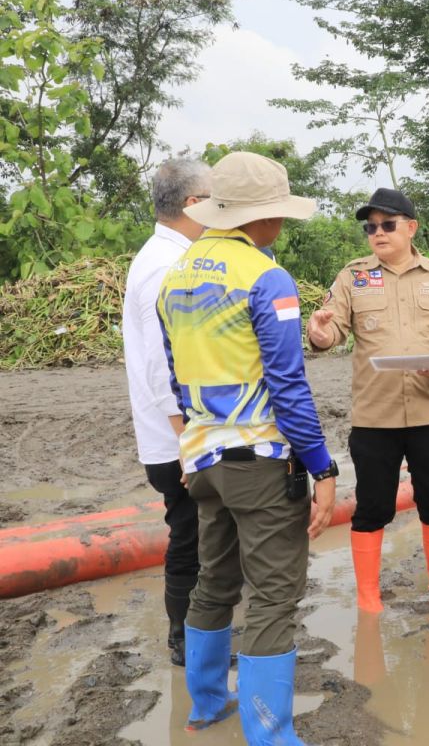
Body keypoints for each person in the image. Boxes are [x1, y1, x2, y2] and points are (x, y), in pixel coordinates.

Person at [158, 151, 339, 744]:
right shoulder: (266, 276)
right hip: (259, 462)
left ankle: (208, 703)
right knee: (274, 595)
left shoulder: (178, 275)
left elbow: (176, 376)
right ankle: (270, 734)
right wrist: (322, 465)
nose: (282, 226)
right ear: (261, 217)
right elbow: (288, 383)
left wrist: (192, 447)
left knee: (214, 580)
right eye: (278, 215)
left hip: (204, 460)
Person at [307, 188, 429, 610]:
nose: (377, 233)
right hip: (374, 416)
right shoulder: (353, 276)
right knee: (372, 506)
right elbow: (331, 332)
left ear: (411, 227)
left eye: (387, 224)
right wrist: (320, 332)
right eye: (370, 227)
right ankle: (368, 594)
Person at [122, 158, 210, 667]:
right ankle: (185, 638)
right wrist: (188, 441)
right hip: (177, 436)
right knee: (191, 532)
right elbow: (161, 367)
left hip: (181, 432)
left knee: (199, 530)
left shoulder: (173, 256)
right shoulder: (164, 266)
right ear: (194, 204)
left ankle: (200, 629)